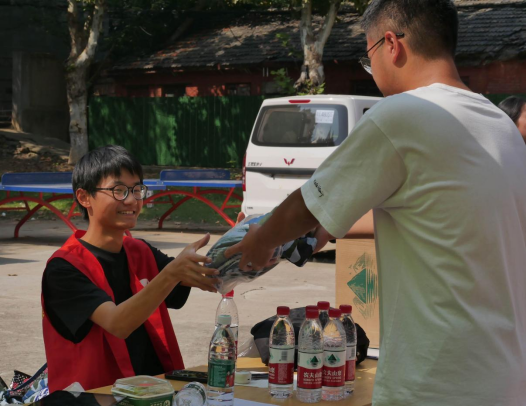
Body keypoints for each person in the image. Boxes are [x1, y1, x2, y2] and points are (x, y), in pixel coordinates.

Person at [226, 1, 527, 405]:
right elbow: (434, 215)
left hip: (436, 384)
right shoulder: (499, 124)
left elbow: (305, 205)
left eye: (368, 58)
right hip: (505, 379)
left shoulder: (404, 113)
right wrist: (324, 231)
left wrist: (259, 243)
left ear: (391, 44)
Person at [42, 145, 219, 392]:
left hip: (154, 393)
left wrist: (243, 247)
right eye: (118, 190)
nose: (131, 200)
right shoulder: (64, 268)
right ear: (84, 197)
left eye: (137, 189)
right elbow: (118, 324)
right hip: (96, 398)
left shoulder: (140, 252)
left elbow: (210, 274)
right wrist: (171, 273)